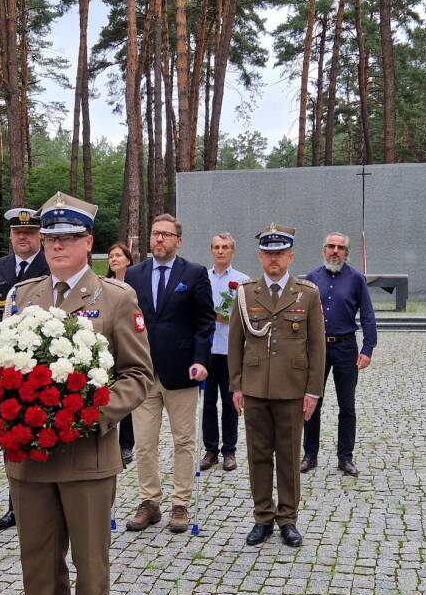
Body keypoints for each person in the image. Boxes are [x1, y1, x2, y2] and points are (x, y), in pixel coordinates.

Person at [6, 191, 154, 595]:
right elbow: (5, 368)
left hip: (88, 456)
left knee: (90, 567)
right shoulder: (23, 296)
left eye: (67, 239)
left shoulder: (115, 299)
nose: (55, 247)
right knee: (39, 566)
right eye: (49, 239)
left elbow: (139, 376)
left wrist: (90, 415)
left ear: (88, 243)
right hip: (31, 460)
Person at [228, 224, 325, 548]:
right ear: (260, 256)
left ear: (290, 256)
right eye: (268, 253)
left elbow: (316, 346)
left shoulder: (307, 294)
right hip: (255, 388)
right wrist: (236, 385)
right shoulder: (245, 293)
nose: (274, 259)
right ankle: (262, 517)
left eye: (280, 253)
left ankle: (288, 518)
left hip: (291, 389)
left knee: (288, 455)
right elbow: (235, 343)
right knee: (257, 456)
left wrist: (313, 391)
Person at [123, 214, 214, 534]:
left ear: (179, 240)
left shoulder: (194, 273)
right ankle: (149, 501)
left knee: (184, 441)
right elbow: (125, 321)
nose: (159, 239)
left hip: (182, 372)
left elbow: (205, 323)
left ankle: (180, 503)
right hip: (144, 372)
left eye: (166, 235)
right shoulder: (133, 275)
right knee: (144, 444)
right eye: (155, 234)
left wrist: (201, 359)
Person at [0, 206, 51, 532]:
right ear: (10, 236)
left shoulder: (50, 263)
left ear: (39, 235)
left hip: (46, 367)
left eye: (29, 232)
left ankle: (46, 505)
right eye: (17, 233)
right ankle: (16, 505)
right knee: (12, 438)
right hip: (8, 369)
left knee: (46, 433)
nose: (22, 237)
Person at [302, 233, 377, 477]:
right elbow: (301, 315)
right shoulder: (311, 278)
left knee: (347, 405)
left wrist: (367, 349)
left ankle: (345, 457)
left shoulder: (356, 279)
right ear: (323, 249)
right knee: (312, 402)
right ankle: (310, 455)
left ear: (347, 253)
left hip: (346, 348)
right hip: (317, 348)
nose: (335, 251)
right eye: (331, 246)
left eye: (340, 248)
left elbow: (367, 314)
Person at [199, 233, 248, 472]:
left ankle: (229, 450)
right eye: (216, 247)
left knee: (230, 403)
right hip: (207, 351)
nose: (220, 251)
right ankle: (210, 450)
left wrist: (230, 318)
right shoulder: (202, 278)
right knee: (208, 403)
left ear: (232, 251)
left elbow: (249, 316)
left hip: (230, 351)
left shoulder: (242, 281)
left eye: (225, 247)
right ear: (211, 250)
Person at [105, 243, 137, 468]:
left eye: (118, 255)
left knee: (126, 397)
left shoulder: (136, 284)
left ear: (128, 259)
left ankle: (126, 444)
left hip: (128, 344)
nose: (114, 259)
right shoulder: (103, 286)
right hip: (108, 350)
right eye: (110, 256)